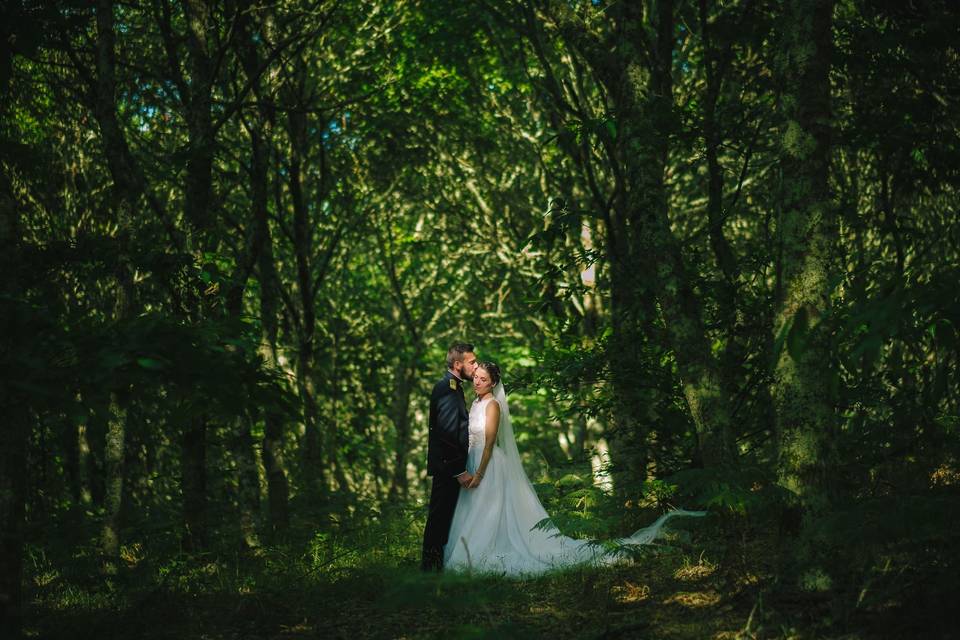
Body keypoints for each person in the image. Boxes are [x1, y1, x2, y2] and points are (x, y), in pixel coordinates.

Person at [443, 361, 706, 576]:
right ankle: (468, 552)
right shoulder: (475, 403)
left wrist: (479, 474)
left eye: (483, 379)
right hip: (471, 461)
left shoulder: (492, 406)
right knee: (473, 510)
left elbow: (489, 444)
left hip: (488, 465)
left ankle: (481, 554)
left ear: (493, 383)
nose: (477, 382)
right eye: (476, 377)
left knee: (487, 511)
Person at [420, 343, 479, 571]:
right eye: (471, 362)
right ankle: (429, 568)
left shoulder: (454, 387)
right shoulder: (447, 388)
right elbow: (446, 433)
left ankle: (436, 566)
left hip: (449, 466)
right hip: (447, 467)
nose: (475, 366)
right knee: (439, 518)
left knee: (445, 518)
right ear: (458, 364)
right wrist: (459, 470)